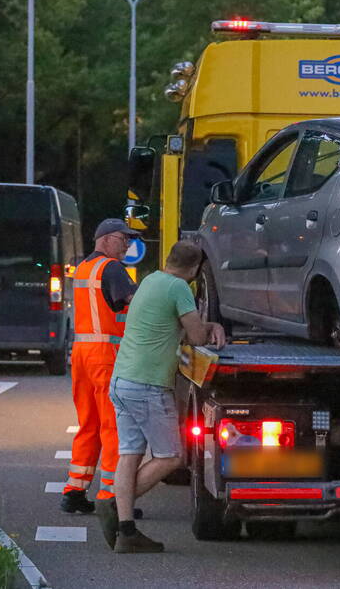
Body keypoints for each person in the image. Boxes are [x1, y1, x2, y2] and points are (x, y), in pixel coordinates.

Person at [101, 240, 225, 553]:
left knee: (130, 453)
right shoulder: (178, 288)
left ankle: (126, 530)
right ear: (195, 269)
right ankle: (115, 508)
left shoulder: (150, 281)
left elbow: (169, 329)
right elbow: (196, 336)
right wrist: (212, 324)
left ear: (168, 259)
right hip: (148, 385)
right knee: (171, 456)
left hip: (122, 379)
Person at [60, 219, 140, 515]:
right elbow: (135, 302)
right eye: (123, 239)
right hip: (105, 354)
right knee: (114, 426)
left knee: (89, 424)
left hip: (81, 355)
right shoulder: (112, 268)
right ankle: (111, 496)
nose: (127, 245)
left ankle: (74, 490)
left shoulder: (83, 268)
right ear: (105, 239)